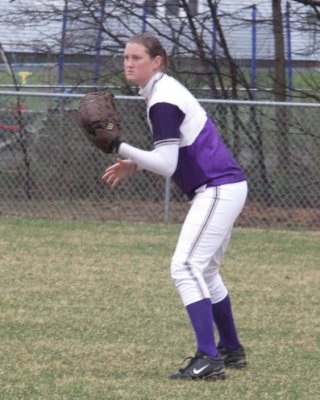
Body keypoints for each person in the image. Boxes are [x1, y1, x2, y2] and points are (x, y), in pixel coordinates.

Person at [101, 32, 248, 381]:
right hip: (223, 186)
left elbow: (167, 165)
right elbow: (176, 148)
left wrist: (120, 146)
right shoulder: (164, 92)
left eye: (137, 58)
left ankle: (209, 358)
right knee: (205, 271)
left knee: (185, 267)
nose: (129, 63)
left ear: (157, 62)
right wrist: (134, 162)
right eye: (125, 57)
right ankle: (230, 348)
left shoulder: (162, 100)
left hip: (217, 187)